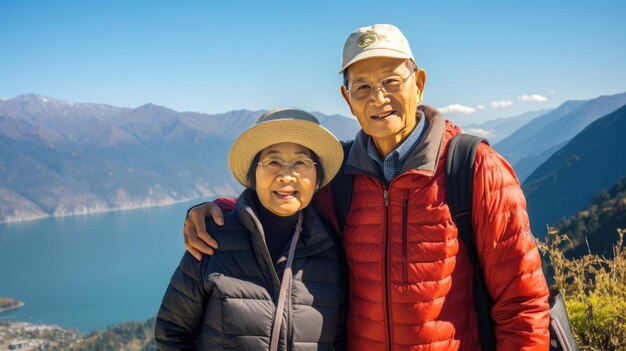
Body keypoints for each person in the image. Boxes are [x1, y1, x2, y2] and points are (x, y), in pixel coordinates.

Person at [184, 24, 551, 350]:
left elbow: (522, 303)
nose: (378, 98)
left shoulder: (472, 168)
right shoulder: (339, 177)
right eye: (362, 87)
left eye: (392, 82)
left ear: (419, 84)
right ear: (347, 99)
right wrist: (220, 210)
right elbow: (283, 201)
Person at [155, 109, 347, 350]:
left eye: (300, 162)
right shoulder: (211, 241)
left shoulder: (331, 254)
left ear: (317, 179)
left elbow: (339, 341)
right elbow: (172, 333)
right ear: (252, 176)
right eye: (273, 161)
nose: (286, 175)